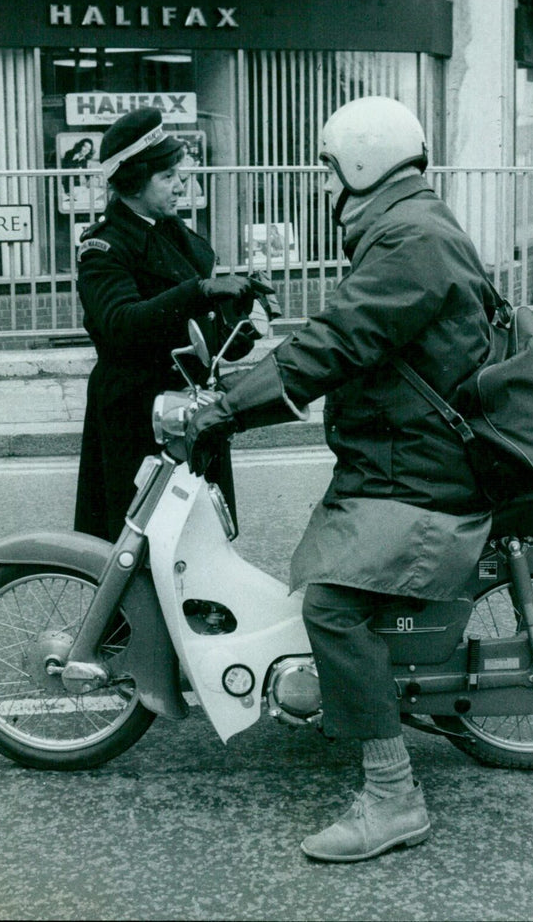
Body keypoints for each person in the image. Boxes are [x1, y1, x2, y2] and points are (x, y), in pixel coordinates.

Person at [184, 96, 497, 863]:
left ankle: (394, 800)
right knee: (319, 557)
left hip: (425, 472)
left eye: (329, 167)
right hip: (399, 454)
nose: (324, 184)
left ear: (362, 162)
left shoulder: (410, 240)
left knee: (330, 605)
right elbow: (352, 334)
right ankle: (344, 691)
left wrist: (228, 408)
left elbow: (338, 341)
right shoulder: (406, 224)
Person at [73, 106, 253, 543]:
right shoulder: (103, 249)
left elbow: (201, 332)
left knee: (199, 542)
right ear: (134, 181)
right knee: (137, 546)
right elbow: (121, 324)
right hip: (137, 415)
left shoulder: (175, 234)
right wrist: (199, 291)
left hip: (190, 411)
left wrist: (241, 325)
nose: (180, 184)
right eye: (168, 176)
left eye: (179, 173)